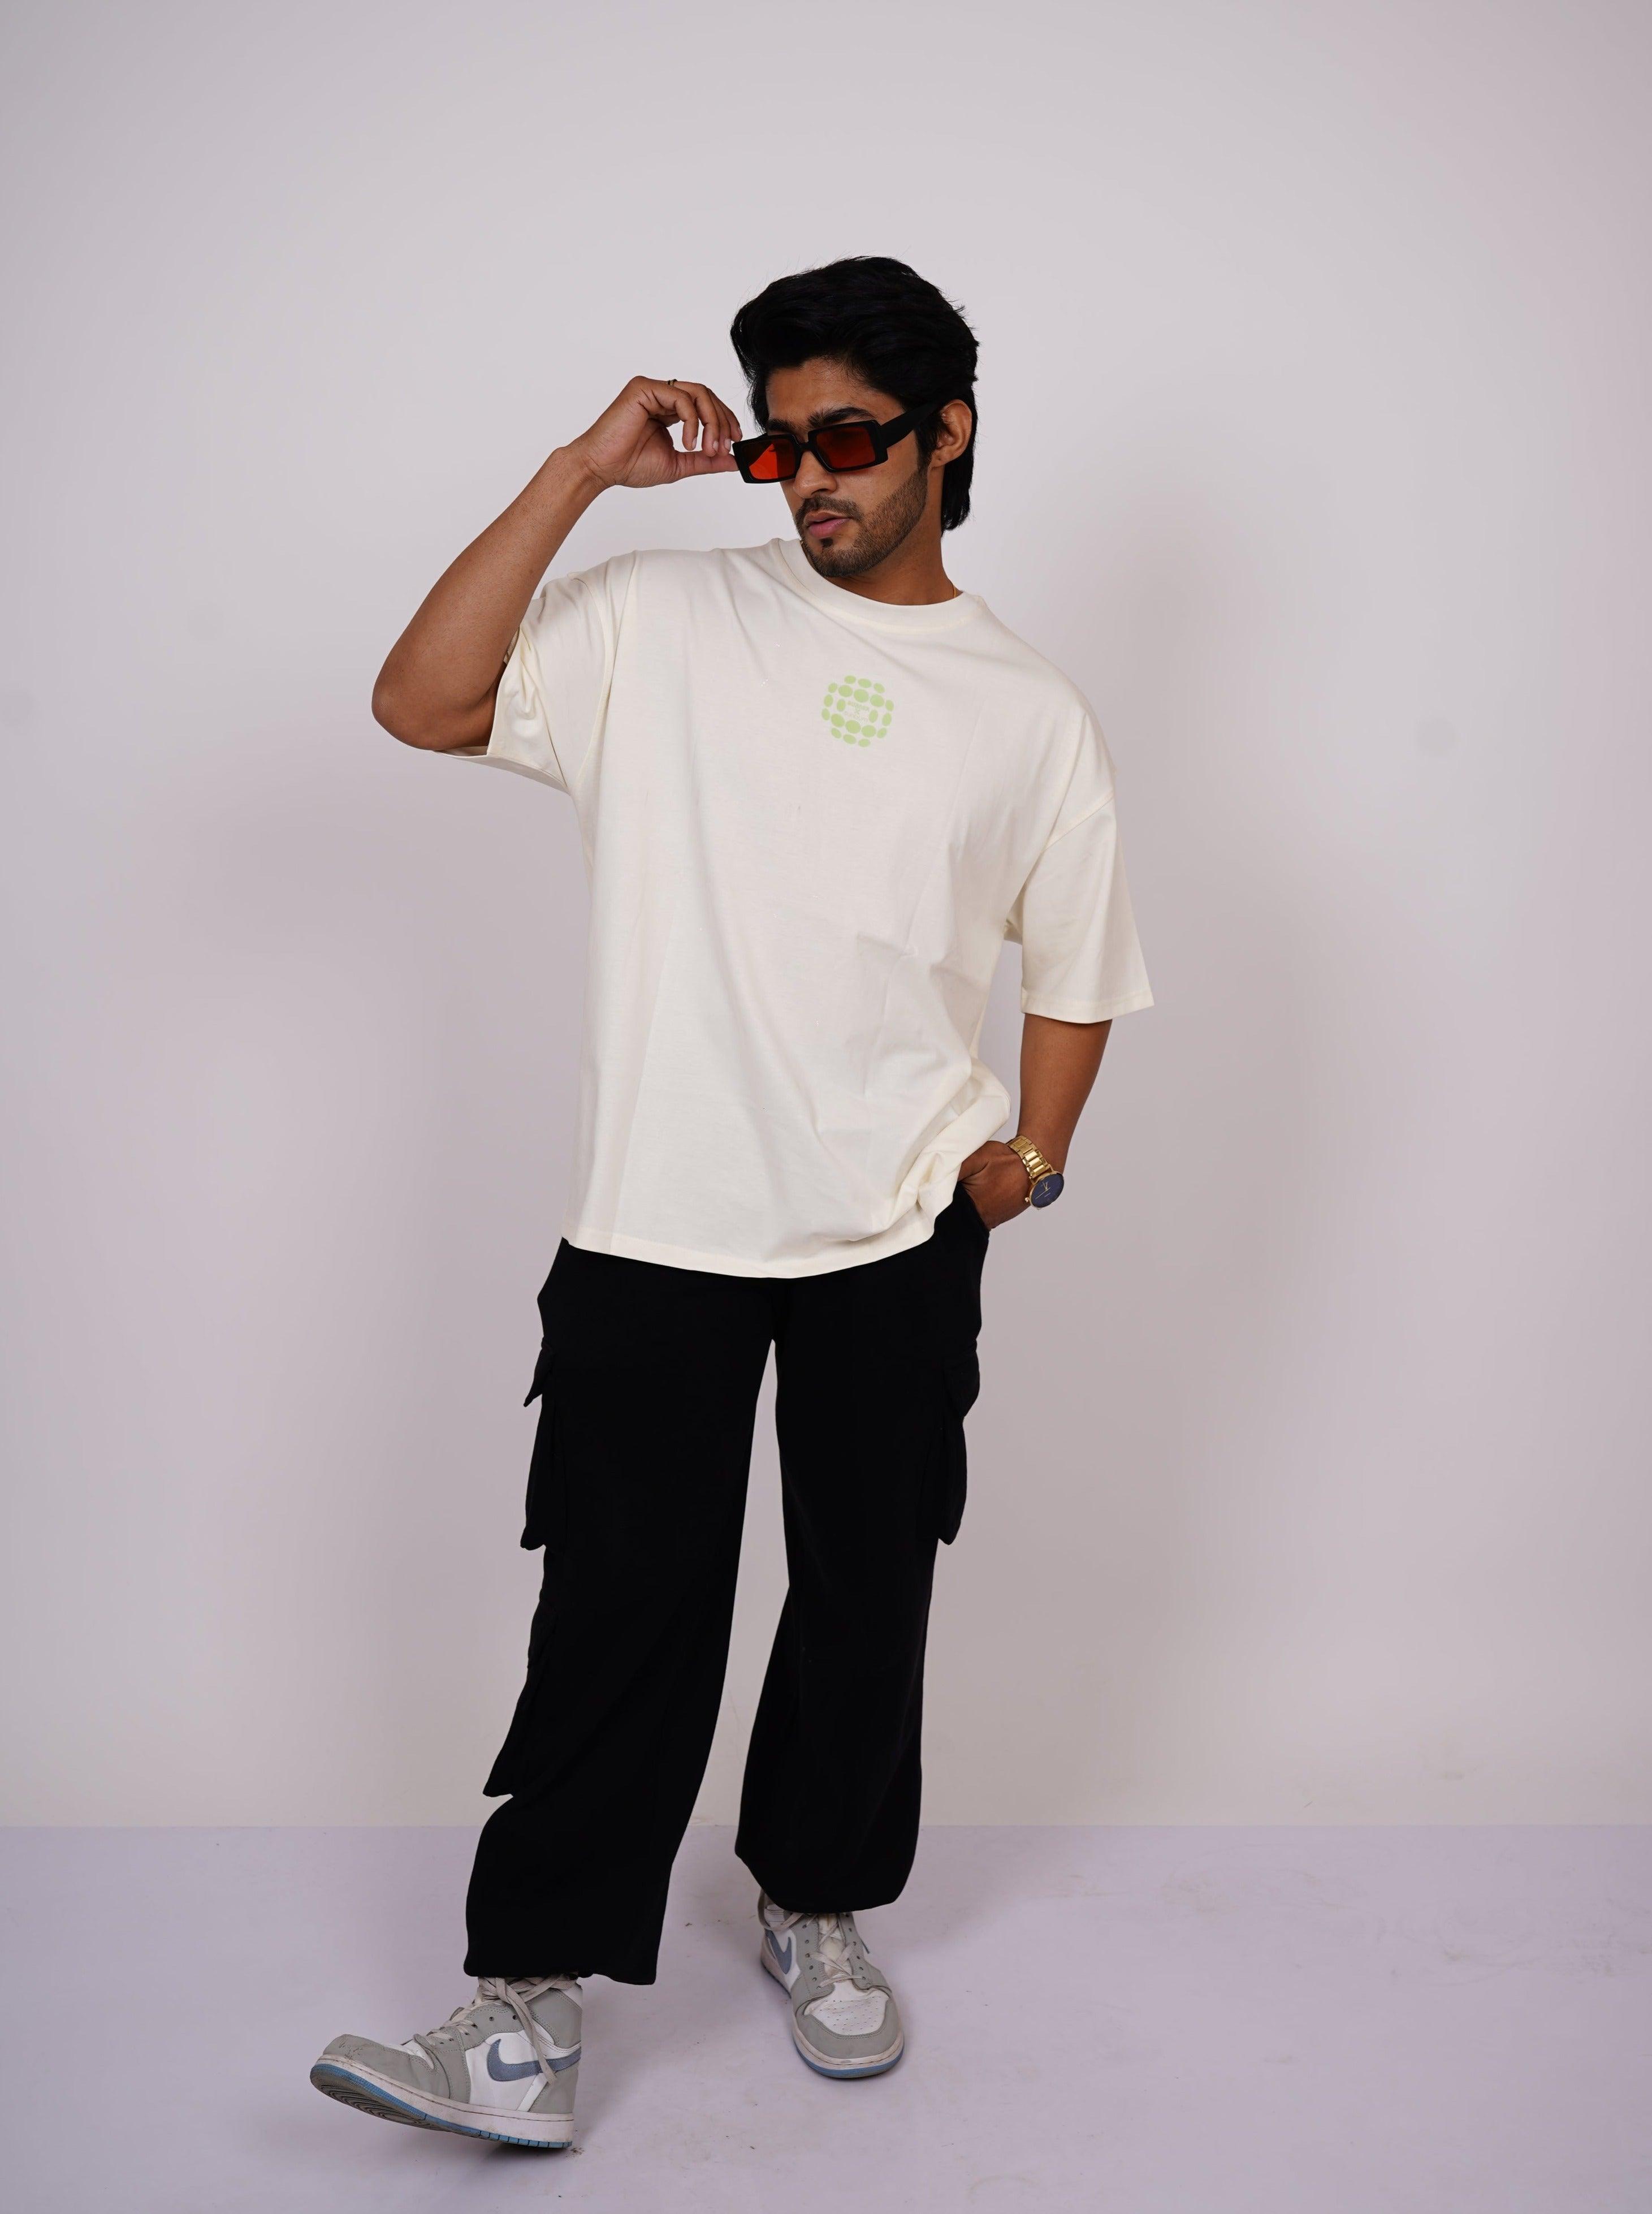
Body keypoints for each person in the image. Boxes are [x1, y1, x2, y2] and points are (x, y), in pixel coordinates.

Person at [309, 256, 1152, 2150]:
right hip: (656, 1221)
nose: (809, 478)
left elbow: (1079, 961)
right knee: (618, 1608)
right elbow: (419, 702)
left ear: (945, 436)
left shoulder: (1026, 708)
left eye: (847, 437)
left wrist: (1030, 1158)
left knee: (866, 1588)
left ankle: (814, 1897)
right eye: (780, 445)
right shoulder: (663, 618)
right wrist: (576, 475)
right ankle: (523, 2011)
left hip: (897, 1226)